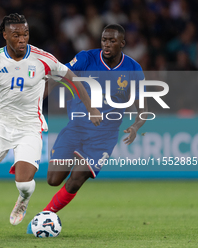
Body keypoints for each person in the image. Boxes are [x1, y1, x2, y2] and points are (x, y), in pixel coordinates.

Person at [0, 13, 101, 238]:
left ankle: (23, 199)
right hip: (0, 124)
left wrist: (91, 108)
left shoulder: (43, 58)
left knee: (25, 186)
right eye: (16, 35)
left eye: (25, 34)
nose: (22, 39)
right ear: (5, 35)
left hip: (30, 127)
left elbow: (72, 79)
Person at [27, 24, 148, 233]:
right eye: (104, 40)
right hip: (76, 128)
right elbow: (58, 75)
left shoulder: (133, 69)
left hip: (104, 136)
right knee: (54, 180)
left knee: (76, 180)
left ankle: (44, 216)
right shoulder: (86, 58)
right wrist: (38, 100)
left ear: (122, 43)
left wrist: (136, 125)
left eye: (112, 41)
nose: (107, 44)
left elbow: (143, 108)